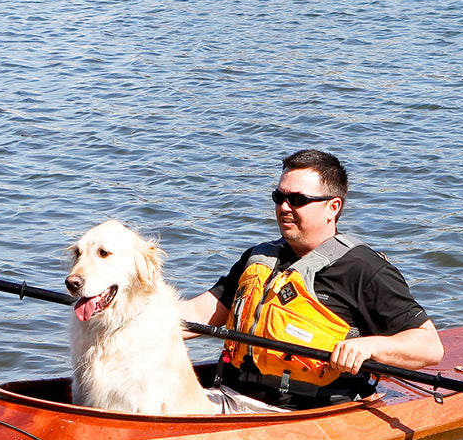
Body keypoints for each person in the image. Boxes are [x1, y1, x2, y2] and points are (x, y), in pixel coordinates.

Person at [180, 150, 444, 413]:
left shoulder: (363, 269)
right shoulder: (258, 258)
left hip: (299, 413)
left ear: (333, 207)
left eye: (297, 199)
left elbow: (429, 346)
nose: (284, 207)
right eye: (279, 197)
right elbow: (197, 313)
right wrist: (146, 320)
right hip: (226, 396)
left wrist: (368, 346)